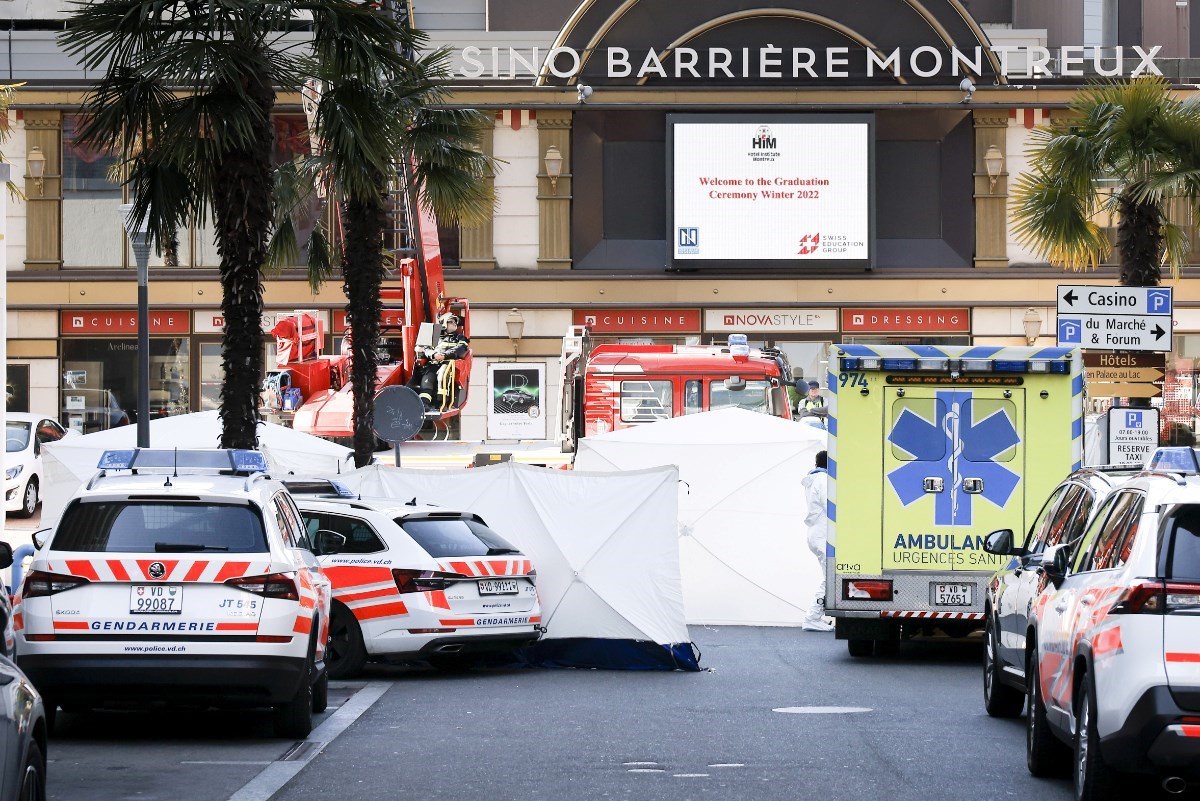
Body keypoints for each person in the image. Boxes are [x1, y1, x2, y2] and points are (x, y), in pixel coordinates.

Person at [408, 312, 470, 411]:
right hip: (434, 362)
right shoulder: (435, 338)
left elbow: (460, 349)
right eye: (452, 321)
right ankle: (424, 403)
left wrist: (445, 355)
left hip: (448, 363)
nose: (455, 324)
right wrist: (433, 355)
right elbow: (426, 349)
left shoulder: (460, 338)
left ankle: (441, 403)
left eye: (456, 322)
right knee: (427, 378)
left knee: (442, 376)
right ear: (444, 323)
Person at [800, 450, 834, 632]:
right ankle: (812, 618)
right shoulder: (823, 480)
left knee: (828, 576)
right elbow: (831, 507)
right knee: (830, 577)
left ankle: (814, 617)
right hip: (823, 535)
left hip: (816, 534)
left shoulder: (813, 480)